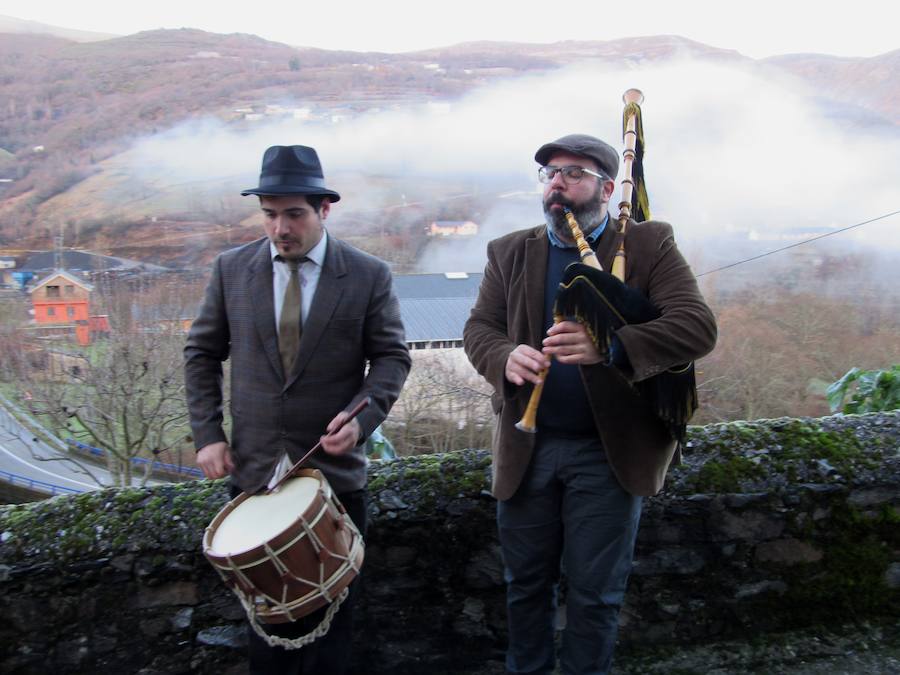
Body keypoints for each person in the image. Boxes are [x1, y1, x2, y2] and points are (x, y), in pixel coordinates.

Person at [463, 134, 717, 674]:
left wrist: (612, 345)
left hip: (607, 455)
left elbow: (697, 328)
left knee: (595, 594)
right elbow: (479, 329)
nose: (558, 183)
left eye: (573, 173)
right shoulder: (510, 251)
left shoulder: (648, 246)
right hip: (526, 448)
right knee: (524, 587)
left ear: (605, 188)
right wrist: (504, 357)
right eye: (550, 174)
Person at [184, 144, 411, 674]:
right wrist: (207, 435)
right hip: (254, 479)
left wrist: (362, 418)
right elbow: (201, 353)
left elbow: (392, 359)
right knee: (266, 632)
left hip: (334, 482)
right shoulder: (230, 270)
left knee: (335, 629)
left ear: (323, 209)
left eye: (294, 214)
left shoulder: (367, 274)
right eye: (269, 214)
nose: (280, 227)